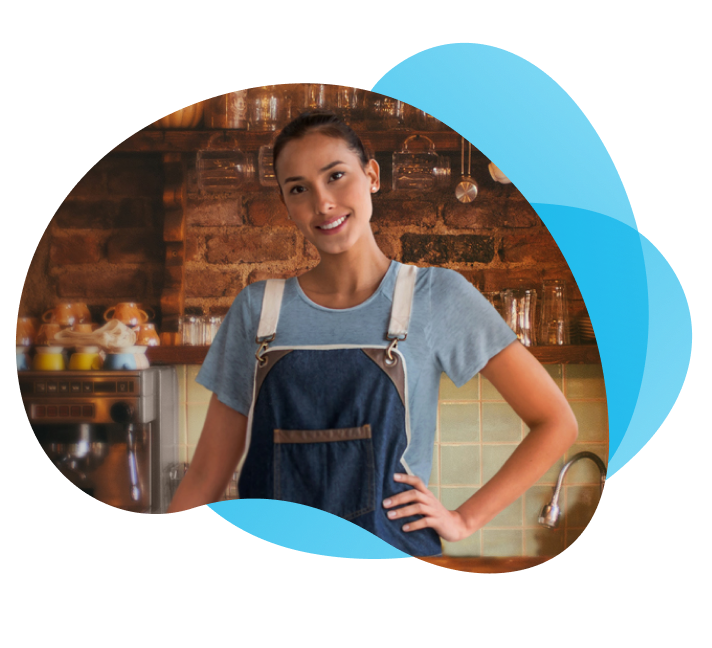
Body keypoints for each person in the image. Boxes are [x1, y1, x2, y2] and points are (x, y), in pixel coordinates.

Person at [167, 110, 578, 557]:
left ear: (372, 176)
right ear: (287, 205)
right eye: (299, 189)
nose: (322, 202)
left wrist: (464, 519)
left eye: (336, 176)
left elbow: (556, 423)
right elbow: (207, 474)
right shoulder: (258, 310)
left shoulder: (436, 296)